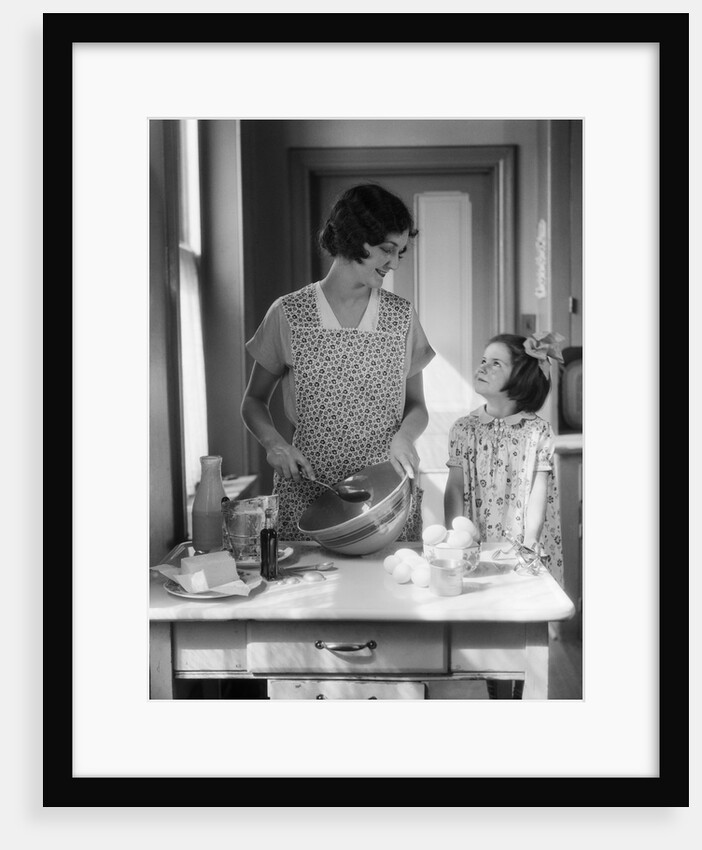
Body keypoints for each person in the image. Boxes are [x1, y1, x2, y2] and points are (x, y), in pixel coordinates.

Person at [241, 183, 435, 541]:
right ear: (352, 238)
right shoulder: (289, 314)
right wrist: (275, 444)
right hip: (310, 496)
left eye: (400, 253)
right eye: (386, 250)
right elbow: (253, 401)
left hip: (386, 498)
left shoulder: (402, 317)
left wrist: (405, 438)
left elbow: (418, 406)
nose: (393, 263)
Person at [443, 331, 565, 699]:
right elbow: (454, 488)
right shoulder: (463, 429)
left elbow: (537, 495)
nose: (483, 366)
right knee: (484, 634)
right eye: (483, 359)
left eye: (496, 362)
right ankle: (493, 695)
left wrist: (528, 546)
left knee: (519, 634)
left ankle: (515, 700)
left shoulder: (537, 432)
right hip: (476, 543)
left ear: (521, 375)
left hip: (519, 547)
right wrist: (456, 535)